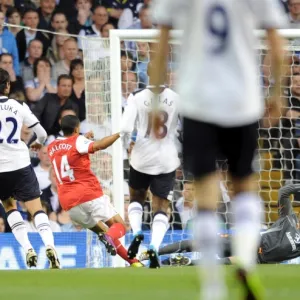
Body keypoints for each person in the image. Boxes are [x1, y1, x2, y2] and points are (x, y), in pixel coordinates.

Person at [152, 0, 287, 299]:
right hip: (242, 101)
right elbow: (278, 46)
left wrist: (155, 102)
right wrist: (277, 93)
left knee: (206, 197)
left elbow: (160, 47)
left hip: (198, 102)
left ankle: (213, 287)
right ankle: (246, 263)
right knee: (245, 188)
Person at [47, 115, 143, 267]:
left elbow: (69, 149)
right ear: (77, 128)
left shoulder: (51, 146)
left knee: (104, 233)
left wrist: (84, 138)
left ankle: (135, 263)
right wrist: (120, 134)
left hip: (69, 204)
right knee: (119, 227)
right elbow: (99, 145)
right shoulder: (78, 141)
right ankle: (110, 238)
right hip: (88, 194)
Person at [145, 184, 300, 266]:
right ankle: (154, 251)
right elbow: (284, 191)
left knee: (219, 263)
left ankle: (177, 262)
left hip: (258, 260)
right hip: (250, 242)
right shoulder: (289, 218)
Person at [121, 62, 180, 268]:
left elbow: (126, 127)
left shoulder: (136, 96)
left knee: (136, 197)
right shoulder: (175, 97)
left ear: (146, 73)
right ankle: (154, 246)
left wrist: (128, 145)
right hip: (166, 157)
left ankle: (137, 232)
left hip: (142, 156)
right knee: (161, 206)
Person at [0, 68, 60, 269]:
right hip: (20, 163)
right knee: (36, 209)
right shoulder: (18, 106)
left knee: (9, 206)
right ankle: (50, 246)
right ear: (7, 86)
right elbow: (42, 134)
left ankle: (27, 248)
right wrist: (36, 143)